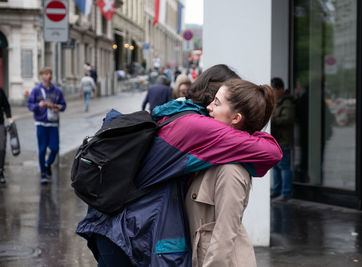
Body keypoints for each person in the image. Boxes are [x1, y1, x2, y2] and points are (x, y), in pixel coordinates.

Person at [76, 64, 282, 266]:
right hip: (123, 229)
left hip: (112, 222)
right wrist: (247, 128)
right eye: (217, 99)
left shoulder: (178, 110)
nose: (213, 106)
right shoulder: (198, 127)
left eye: (220, 102)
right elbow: (271, 152)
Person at [185, 79, 275, 267]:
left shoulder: (230, 170)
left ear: (235, 118)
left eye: (217, 103)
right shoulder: (215, 157)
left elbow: (225, 236)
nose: (209, 107)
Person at [27, 67, 67, 184]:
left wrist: (57, 107)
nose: (48, 76)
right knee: (42, 149)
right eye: (45, 74)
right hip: (41, 123)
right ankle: (43, 173)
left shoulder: (57, 91)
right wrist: (38, 105)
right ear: (41, 76)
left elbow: (63, 105)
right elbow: (29, 104)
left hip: (53, 124)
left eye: (49, 73)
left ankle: (47, 164)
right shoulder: (36, 90)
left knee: (55, 148)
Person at [270, 77, 295, 200]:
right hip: (276, 140)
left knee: (284, 167)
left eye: (273, 90)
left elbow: (288, 119)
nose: (272, 93)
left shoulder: (287, 102)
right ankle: (276, 190)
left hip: (283, 140)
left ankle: (286, 193)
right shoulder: (276, 102)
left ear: (280, 89)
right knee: (275, 167)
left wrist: (272, 120)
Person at [0, 88, 13, 184]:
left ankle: (0, 170)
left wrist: (9, 117)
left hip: (0, 123)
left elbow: (6, 105)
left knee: (1, 148)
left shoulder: (0, 91)